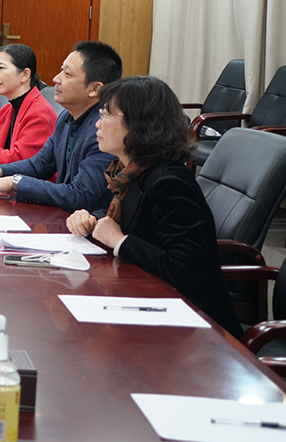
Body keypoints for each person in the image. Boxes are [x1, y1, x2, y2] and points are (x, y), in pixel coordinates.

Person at [66, 77, 242, 337]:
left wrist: (120, 241)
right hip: (150, 304)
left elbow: (187, 275)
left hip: (195, 332)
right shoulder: (128, 172)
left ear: (139, 123)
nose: (97, 122)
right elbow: (135, 222)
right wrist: (92, 220)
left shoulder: (169, 183)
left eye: (107, 113)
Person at [0, 41, 122, 213]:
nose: (56, 79)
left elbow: (79, 195)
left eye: (67, 74)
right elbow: (39, 164)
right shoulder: (66, 118)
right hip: (63, 220)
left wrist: (14, 182)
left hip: (91, 231)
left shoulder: (104, 131)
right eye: (61, 70)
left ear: (95, 89)